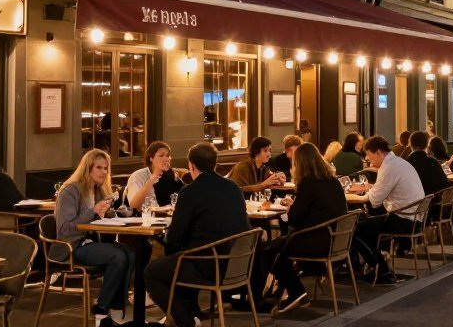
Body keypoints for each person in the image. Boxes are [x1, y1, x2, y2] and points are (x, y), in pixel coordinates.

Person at [145, 142, 258, 326]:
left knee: (152, 271)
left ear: (191, 165)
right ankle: (188, 311)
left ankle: (185, 320)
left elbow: (174, 237)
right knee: (181, 257)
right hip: (237, 264)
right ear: (215, 164)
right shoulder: (233, 188)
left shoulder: (190, 192)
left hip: (208, 266)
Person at [265, 142, 348, 315]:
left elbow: (295, 218)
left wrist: (291, 207)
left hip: (317, 241)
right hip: (336, 239)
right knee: (276, 246)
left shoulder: (308, 183)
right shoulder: (332, 181)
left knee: (270, 250)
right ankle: (287, 290)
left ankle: (296, 292)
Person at [55, 149, 135, 326]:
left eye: (106, 168)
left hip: (92, 242)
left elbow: (100, 218)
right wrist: (94, 212)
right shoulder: (70, 190)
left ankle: (114, 311)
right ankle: (101, 308)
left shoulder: (98, 190)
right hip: (72, 246)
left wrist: (115, 213)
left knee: (130, 253)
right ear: (87, 169)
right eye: (99, 167)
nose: (104, 172)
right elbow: (65, 229)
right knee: (118, 256)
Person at [350, 136, 426, 285]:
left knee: (356, 230)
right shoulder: (398, 162)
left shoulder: (389, 167)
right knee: (368, 225)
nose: (367, 158)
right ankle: (379, 262)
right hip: (414, 217)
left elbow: (374, 200)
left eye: (368, 154)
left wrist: (350, 196)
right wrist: (371, 188)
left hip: (404, 219)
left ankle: (382, 270)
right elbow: (386, 189)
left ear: (378, 152)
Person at [124, 141, 184, 212]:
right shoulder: (138, 176)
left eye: (167, 156)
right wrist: (153, 177)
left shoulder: (171, 175)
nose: (166, 159)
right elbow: (134, 205)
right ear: (151, 158)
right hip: (141, 218)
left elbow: (183, 195)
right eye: (161, 155)